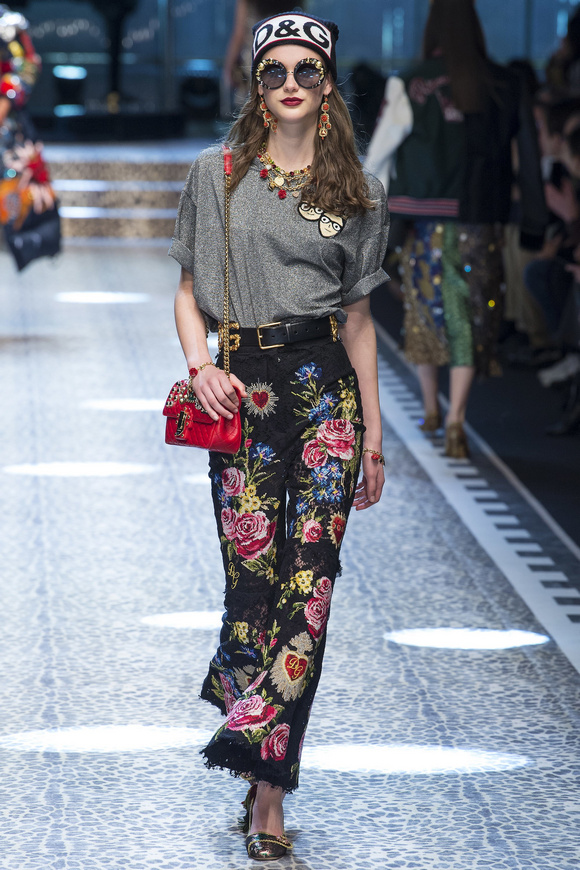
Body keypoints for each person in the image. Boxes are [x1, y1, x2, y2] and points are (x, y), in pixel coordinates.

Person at [169, 11, 389, 862]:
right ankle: (254, 737)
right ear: (256, 87)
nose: (290, 84)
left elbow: (359, 321)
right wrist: (199, 366)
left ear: (327, 87)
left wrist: (372, 438)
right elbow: (188, 290)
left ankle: (269, 793)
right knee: (252, 595)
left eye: (306, 71)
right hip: (243, 394)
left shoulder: (358, 193)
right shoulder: (216, 174)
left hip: (325, 395)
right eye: (274, 72)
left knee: (311, 590)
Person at [364, 0, 546, 457]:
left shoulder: (411, 82)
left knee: (424, 313)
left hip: (422, 223)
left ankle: (430, 408)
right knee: (471, 317)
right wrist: (534, 223)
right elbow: (529, 158)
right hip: (481, 222)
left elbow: (380, 156)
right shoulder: (504, 83)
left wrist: (369, 223)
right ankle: (456, 419)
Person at [0, 4, 59, 270]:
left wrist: (6, 97)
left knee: (14, 189)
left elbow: (28, 65)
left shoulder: (7, 22)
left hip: (6, 124)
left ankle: (20, 239)